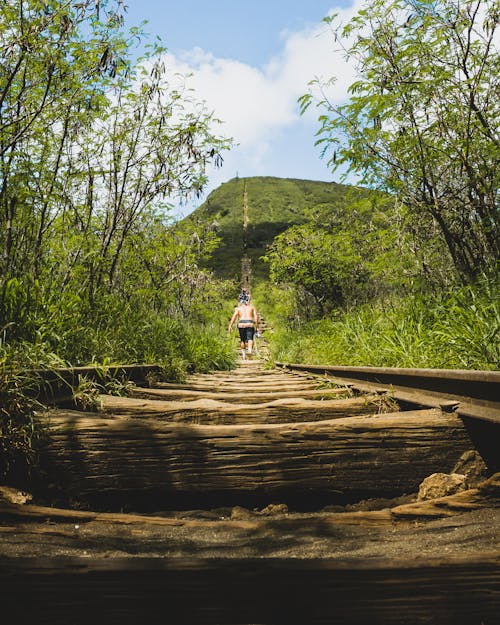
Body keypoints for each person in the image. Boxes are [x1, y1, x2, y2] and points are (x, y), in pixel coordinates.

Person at [228, 291, 259, 359]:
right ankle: (250, 350)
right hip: (249, 323)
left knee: (242, 340)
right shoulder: (252, 307)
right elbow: (256, 317)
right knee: (250, 338)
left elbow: (234, 316)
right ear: (248, 300)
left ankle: (244, 355)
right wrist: (256, 326)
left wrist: (230, 325)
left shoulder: (238, 308)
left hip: (241, 324)